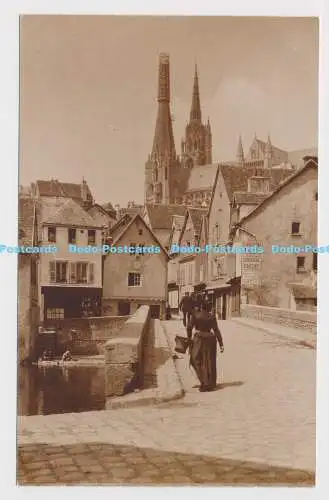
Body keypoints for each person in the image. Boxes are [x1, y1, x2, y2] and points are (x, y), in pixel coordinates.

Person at [187, 300, 224, 392]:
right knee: (209, 361)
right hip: (210, 340)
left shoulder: (195, 315)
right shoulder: (212, 316)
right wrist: (221, 343)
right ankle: (210, 383)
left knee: (195, 359)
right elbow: (216, 330)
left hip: (198, 339)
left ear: (201, 307)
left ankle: (204, 381)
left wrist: (189, 338)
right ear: (209, 308)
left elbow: (189, 327)